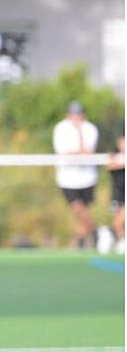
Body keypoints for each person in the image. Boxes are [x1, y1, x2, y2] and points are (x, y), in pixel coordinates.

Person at [52, 101, 99, 250]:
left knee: (81, 213)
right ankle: (96, 232)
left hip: (87, 178)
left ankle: (79, 241)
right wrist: (78, 151)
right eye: (73, 114)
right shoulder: (61, 128)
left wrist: (78, 147)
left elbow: (88, 151)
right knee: (78, 209)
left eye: (79, 114)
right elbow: (63, 152)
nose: (76, 117)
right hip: (68, 178)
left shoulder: (90, 128)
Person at [104, 134, 125, 254]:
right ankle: (113, 236)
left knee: (121, 218)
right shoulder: (114, 155)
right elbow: (109, 166)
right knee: (117, 221)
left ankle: (119, 238)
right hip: (118, 193)